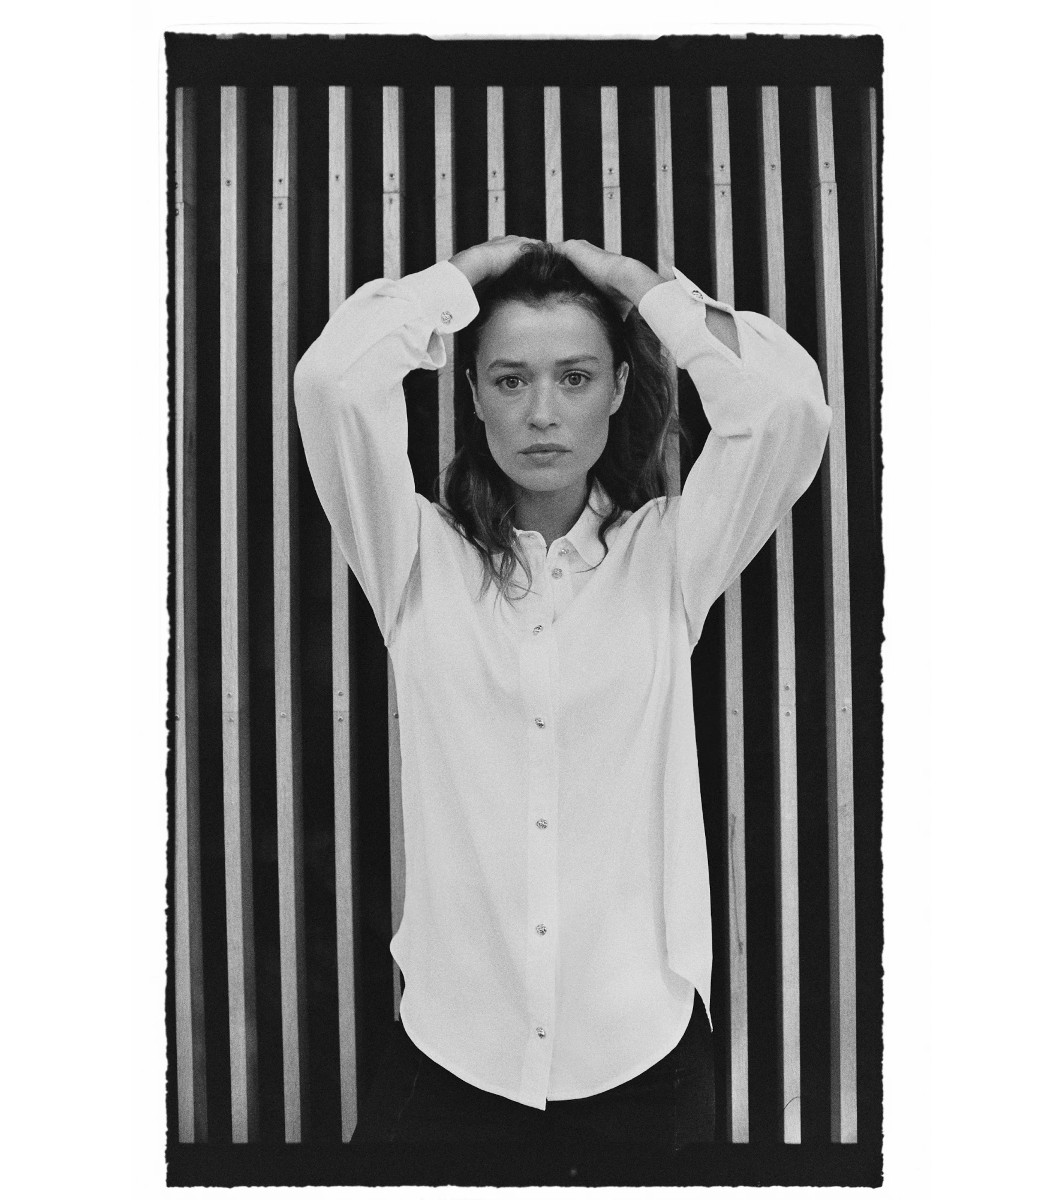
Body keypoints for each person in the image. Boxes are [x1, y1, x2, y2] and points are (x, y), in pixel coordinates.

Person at [293, 236, 831, 1155]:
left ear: (618, 388)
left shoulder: (670, 554)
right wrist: (465, 275)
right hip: (452, 1054)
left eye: (575, 377)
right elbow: (334, 382)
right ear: (472, 395)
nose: (542, 413)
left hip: (641, 1061)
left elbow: (787, 408)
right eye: (510, 380)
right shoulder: (414, 557)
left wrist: (636, 288)